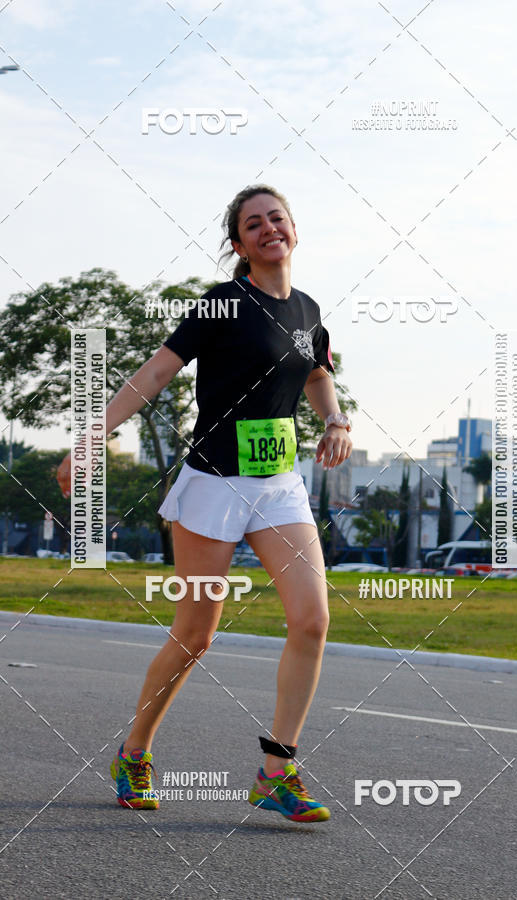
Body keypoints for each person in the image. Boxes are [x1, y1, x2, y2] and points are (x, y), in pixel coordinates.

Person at [57, 183, 352, 823]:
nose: (269, 228)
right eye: (254, 223)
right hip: (213, 484)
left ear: (294, 228)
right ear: (240, 243)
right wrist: (90, 440)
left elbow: (317, 373)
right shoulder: (223, 304)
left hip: (278, 485)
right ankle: (134, 751)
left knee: (312, 620)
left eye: (277, 217)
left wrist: (335, 421)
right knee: (196, 635)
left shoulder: (307, 310)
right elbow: (157, 372)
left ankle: (278, 770)